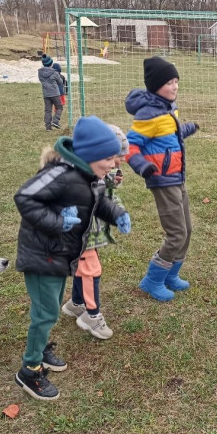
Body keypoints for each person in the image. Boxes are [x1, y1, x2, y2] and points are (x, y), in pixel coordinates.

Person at [13, 116, 131, 401]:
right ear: (92, 155)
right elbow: (24, 196)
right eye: (111, 157)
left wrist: (117, 214)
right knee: (46, 314)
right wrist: (57, 222)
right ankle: (29, 369)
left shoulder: (91, 176)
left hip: (60, 255)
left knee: (51, 307)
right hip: (43, 256)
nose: (116, 163)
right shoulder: (62, 173)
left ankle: (40, 350)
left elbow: (98, 201)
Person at [125, 56, 199, 302]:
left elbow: (170, 135)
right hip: (162, 181)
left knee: (187, 229)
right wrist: (142, 166)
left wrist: (187, 128)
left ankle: (170, 275)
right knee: (176, 233)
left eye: (176, 81)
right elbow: (130, 146)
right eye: (169, 82)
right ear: (156, 85)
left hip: (178, 178)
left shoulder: (168, 107)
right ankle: (152, 280)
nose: (175, 86)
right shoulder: (148, 114)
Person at [61, 125, 129, 340]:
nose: (118, 162)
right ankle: (92, 315)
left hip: (90, 230)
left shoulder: (96, 169)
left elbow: (99, 194)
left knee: (84, 268)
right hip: (80, 232)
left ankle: (76, 303)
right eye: (116, 157)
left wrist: (110, 183)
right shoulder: (74, 174)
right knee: (91, 270)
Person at [38, 53, 64, 130]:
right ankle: (55, 120)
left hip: (46, 94)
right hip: (55, 93)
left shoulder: (40, 72)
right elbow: (60, 82)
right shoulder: (54, 73)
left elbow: (41, 80)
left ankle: (48, 127)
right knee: (59, 107)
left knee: (48, 110)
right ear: (51, 63)